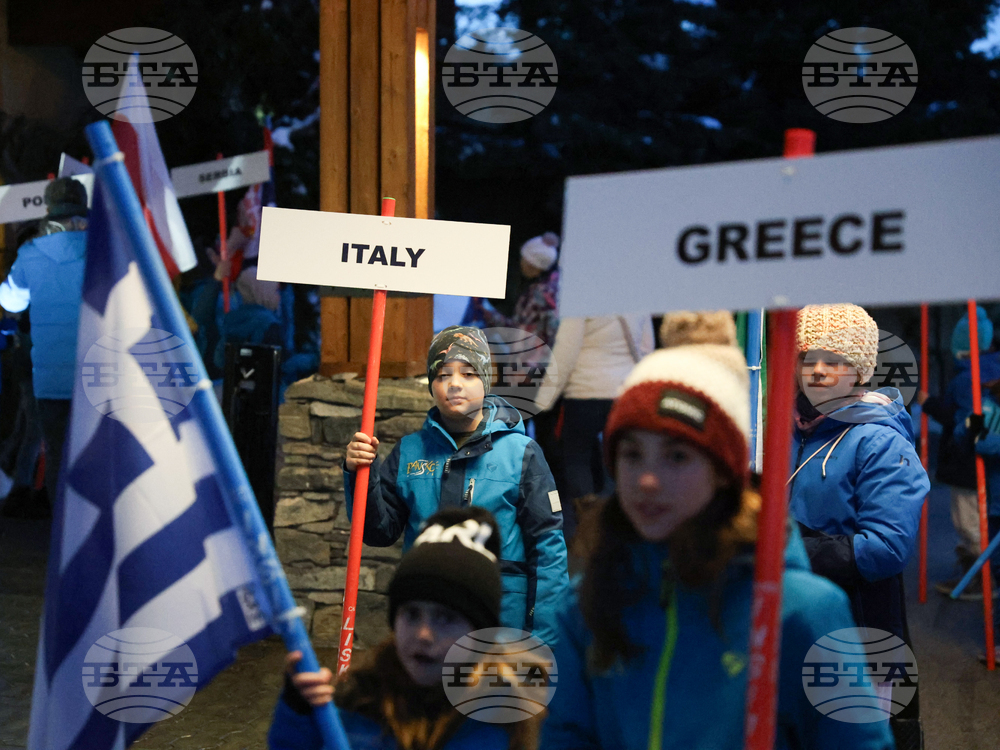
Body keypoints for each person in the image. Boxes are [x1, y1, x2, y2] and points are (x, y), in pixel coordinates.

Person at [542, 320, 894, 749]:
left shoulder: (801, 612)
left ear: (724, 472)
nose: (647, 480)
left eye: (676, 456)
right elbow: (566, 736)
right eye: (631, 454)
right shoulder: (589, 602)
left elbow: (857, 743)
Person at [344, 326, 569, 648]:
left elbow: (548, 548)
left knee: (486, 698)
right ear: (432, 385)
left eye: (468, 373)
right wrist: (359, 474)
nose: (454, 384)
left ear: (486, 382)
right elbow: (378, 532)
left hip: (499, 624)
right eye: (442, 374)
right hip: (429, 624)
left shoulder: (521, 454)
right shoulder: (409, 452)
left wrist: (545, 637)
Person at [269, 506, 542, 750]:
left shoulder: (506, 722)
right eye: (411, 614)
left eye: (445, 618)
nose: (423, 634)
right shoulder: (359, 702)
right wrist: (299, 714)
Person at [789, 303, 928, 749]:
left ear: (861, 370)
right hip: (794, 615)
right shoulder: (785, 429)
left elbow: (886, 547)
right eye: (808, 358)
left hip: (861, 622)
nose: (819, 371)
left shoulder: (879, 439)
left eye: (835, 360)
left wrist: (788, 549)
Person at [0, 177, 89, 504]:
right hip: (94, 375)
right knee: (90, 454)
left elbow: (10, 303)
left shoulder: (30, 253)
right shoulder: (102, 251)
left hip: (49, 378)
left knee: (55, 454)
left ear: (49, 211)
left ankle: (61, 529)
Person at [534, 313, 654, 543]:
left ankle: (591, 529)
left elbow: (566, 351)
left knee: (576, 459)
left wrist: (544, 399)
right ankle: (616, 528)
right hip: (624, 393)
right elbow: (646, 349)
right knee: (619, 461)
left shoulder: (584, 296)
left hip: (584, 392)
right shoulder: (638, 292)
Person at [918, 306, 1000, 598]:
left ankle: (983, 577)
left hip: (968, 461)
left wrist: (929, 404)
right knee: (981, 517)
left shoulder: (968, 378)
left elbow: (967, 420)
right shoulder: (992, 368)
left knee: (969, 522)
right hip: (986, 464)